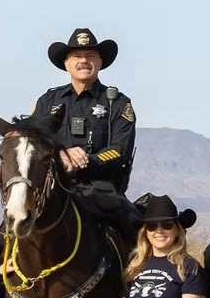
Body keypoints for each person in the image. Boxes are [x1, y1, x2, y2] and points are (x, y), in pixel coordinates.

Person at [28, 28, 137, 238]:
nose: (83, 61)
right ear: (66, 64)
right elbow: (32, 143)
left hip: (100, 190)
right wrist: (60, 156)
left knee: (133, 228)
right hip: (51, 189)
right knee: (4, 234)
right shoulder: (47, 101)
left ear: (100, 62)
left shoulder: (118, 103)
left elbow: (120, 149)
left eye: (90, 56)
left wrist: (87, 160)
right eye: (76, 56)